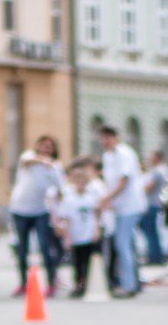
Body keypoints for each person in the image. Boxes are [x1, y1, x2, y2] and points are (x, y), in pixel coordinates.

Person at [8, 136, 64, 296]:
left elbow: (60, 191)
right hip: (20, 209)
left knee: (45, 247)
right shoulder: (28, 156)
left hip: (41, 210)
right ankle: (23, 283)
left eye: (49, 147)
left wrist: (59, 215)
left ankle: (51, 283)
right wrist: (43, 160)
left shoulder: (55, 167)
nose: (46, 149)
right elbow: (27, 161)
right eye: (43, 146)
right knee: (22, 249)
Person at [95, 123, 143, 297]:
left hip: (130, 205)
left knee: (122, 244)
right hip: (119, 206)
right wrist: (110, 200)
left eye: (109, 137)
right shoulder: (108, 156)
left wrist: (107, 198)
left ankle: (128, 284)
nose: (106, 141)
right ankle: (134, 281)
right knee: (128, 244)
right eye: (103, 137)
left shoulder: (124, 153)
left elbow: (124, 180)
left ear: (116, 138)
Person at [54, 157, 103, 298]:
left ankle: (89, 283)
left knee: (90, 261)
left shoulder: (91, 195)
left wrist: (97, 230)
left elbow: (97, 214)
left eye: (83, 179)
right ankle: (78, 284)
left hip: (89, 234)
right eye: (77, 179)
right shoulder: (69, 198)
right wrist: (67, 237)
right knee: (77, 262)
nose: (81, 182)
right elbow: (66, 218)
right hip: (76, 235)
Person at [140, 150, 168, 265]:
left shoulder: (158, 171)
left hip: (152, 204)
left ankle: (154, 257)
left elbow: (149, 188)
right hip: (158, 203)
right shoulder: (164, 169)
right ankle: (157, 256)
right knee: (154, 232)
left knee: (151, 233)